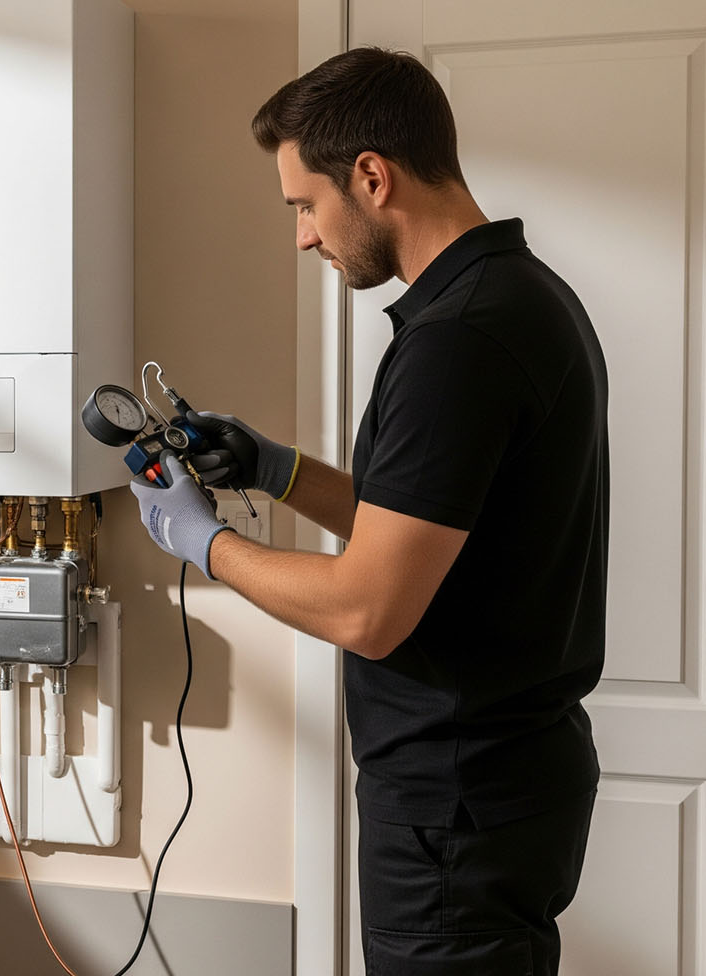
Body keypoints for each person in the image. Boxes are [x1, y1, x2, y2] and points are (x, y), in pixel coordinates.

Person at [131, 47, 607, 975]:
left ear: (372, 177)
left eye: (305, 206)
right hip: (507, 788)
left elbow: (367, 609)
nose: (303, 237)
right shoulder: (522, 297)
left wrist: (205, 542)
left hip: (452, 812)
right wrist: (278, 470)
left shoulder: (456, 344)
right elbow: (427, 531)